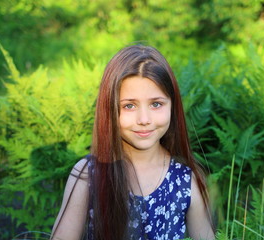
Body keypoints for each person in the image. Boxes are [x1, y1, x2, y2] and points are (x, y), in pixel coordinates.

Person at [51, 45, 215, 240]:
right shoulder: (89, 175)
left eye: (156, 104)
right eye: (129, 105)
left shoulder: (185, 180)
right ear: (109, 109)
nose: (144, 119)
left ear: (173, 105)